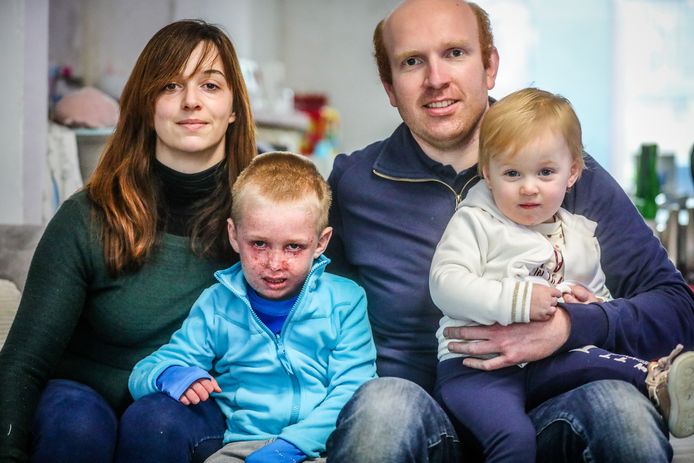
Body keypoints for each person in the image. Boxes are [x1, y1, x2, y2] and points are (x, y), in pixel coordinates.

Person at [324, 1, 694, 461]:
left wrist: (570, 326)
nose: (436, 78)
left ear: (490, 65)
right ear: (389, 87)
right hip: (416, 411)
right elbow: (308, 309)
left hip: (551, 404)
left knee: (622, 409)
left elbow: (678, 310)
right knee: (382, 405)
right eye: (412, 61)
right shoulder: (355, 183)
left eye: (455, 53)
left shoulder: (564, 172)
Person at [0, 20, 256, 463]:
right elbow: (24, 362)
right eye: (171, 85)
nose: (191, 101)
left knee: (155, 421)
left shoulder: (259, 222)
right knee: (75, 424)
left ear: (233, 108)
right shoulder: (87, 216)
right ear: (146, 103)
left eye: (210, 85)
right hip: (80, 399)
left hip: (188, 411)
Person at [429, 87, 694, 462]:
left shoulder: (580, 233)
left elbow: (600, 299)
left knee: (593, 362)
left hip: (549, 362)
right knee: (514, 439)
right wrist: (519, 301)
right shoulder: (476, 221)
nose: (529, 187)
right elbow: (445, 283)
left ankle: (659, 382)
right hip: (476, 367)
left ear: (572, 173)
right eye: (512, 173)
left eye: (546, 172)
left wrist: (590, 307)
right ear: (487, 173)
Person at [129, 151, 377, 463]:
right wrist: (170, 373)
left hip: (320, 447)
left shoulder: (345, 301)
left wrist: (290, 448)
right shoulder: (218, 304)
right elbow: (143, 373)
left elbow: (352, 392)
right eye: (259, 244)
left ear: (321, 242)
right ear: (234, 235)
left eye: (294, 247)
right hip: (240, 449)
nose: (274, 264)